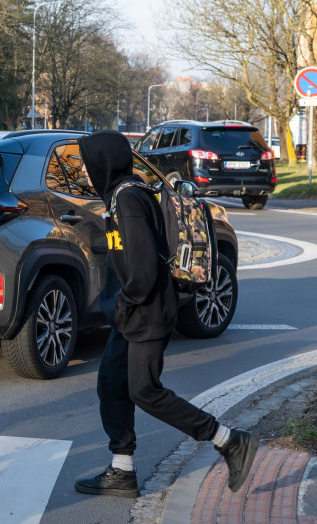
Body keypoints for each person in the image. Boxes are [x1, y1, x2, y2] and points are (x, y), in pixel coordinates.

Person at [73, 130, 259, 499]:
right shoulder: (123, 195)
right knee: (111, 384)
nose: (82, 168)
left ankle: (229, 441)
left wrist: (124, 304)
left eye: (86, 160)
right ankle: (121, 470)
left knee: (146, 391)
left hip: (145, 312)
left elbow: (142, 269)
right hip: (135, 312)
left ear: (102, 162)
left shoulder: (128, 199)